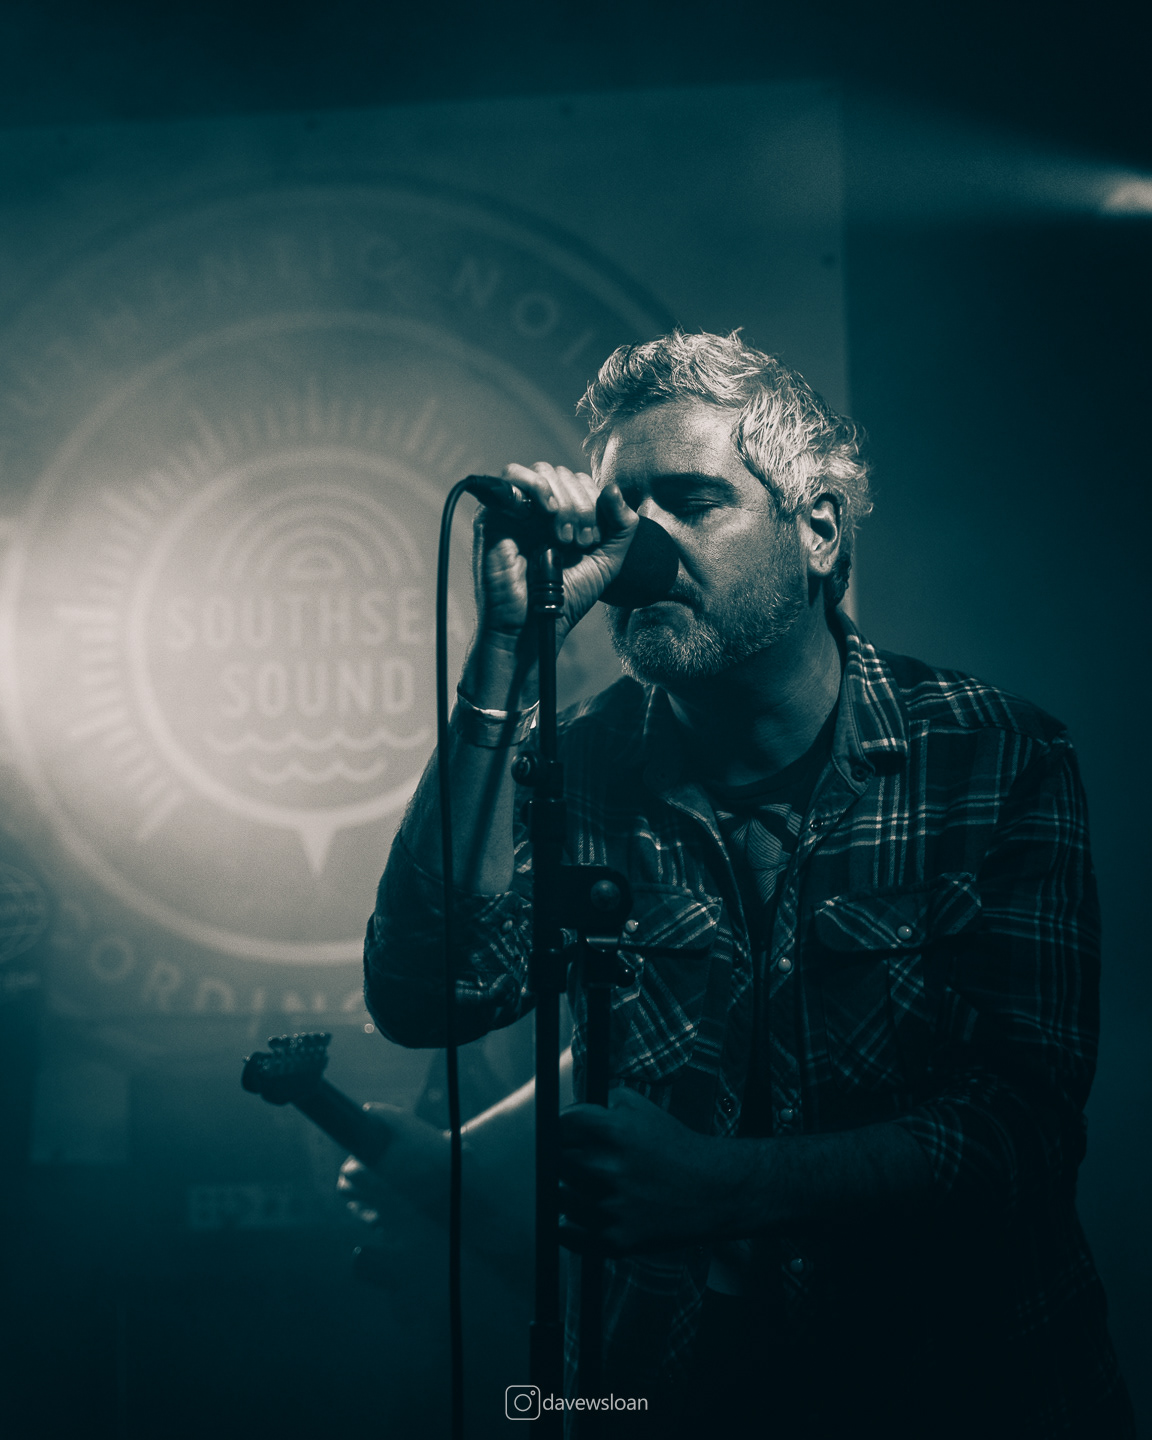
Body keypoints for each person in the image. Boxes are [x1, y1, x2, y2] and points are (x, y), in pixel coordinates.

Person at [355, 331, 1134, 1438]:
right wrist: (502, 660)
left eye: (691, 501)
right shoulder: (575, 765)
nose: (640, 543)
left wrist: (721, 1188)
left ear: (819, 531)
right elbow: (425, 997)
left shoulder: (994, 755)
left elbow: (1025, 1128)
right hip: (663, 1391)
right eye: (621, 510)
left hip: (965, 1387)